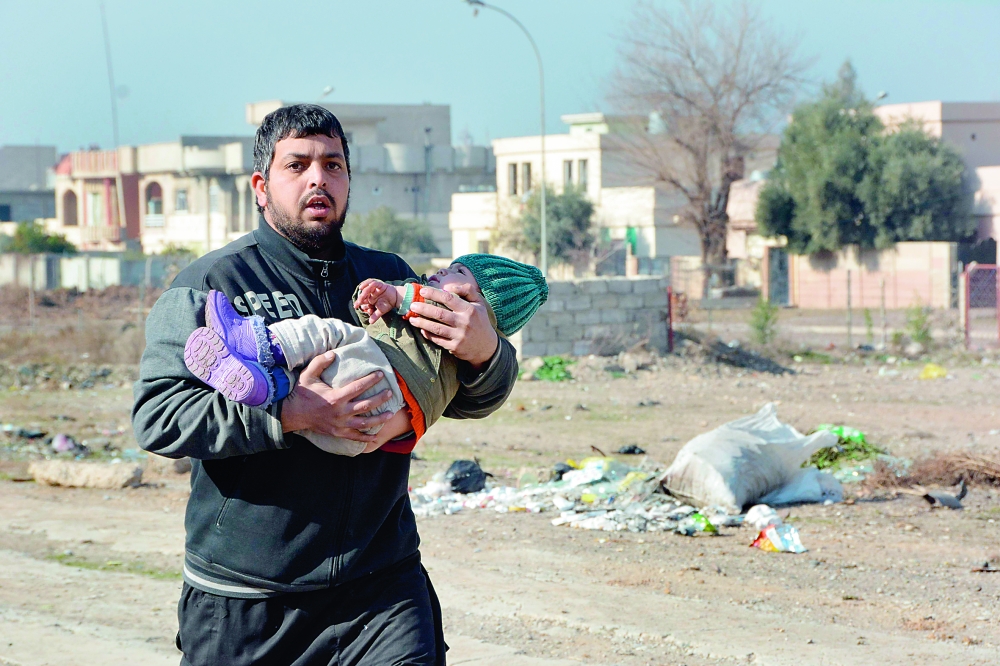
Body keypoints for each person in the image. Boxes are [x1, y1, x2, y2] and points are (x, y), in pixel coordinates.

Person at [132, 104, 519, 666]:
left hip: (381, 593)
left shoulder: (389, 280)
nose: (319, 178)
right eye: (298, 165)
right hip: (248, 603)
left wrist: (487, 354)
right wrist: (291, 413)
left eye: (333, 165)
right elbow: (159, 416)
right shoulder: (211, 285)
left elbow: (451, 395)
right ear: (261, 187)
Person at [182, 254, 547, 457]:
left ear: (478, 300)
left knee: (326, 333)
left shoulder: (449, 312)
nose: (442, 271)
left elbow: (411, 304)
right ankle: (266, 385)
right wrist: (371, 300)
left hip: (378, 388)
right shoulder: (218, 272)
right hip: (361, 437)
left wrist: (489, 352)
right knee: (313, 371)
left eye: (457, 271)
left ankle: (252, 342)